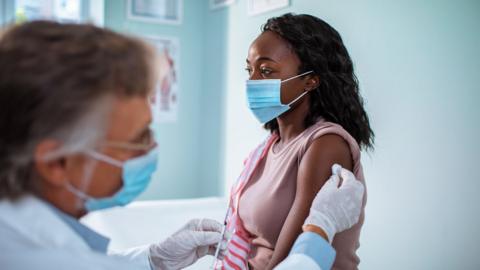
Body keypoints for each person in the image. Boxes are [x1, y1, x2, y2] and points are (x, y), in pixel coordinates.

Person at [0, 21, 365, 270]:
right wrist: (319, 230)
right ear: (55, 163)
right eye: (137, 138)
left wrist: (155, 259)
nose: (151, 149)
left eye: (266, 70)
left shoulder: (324, 142)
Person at [220, 13, 374, 270]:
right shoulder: (269, 147)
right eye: (250, 70)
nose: (252, 81)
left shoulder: (325, 144)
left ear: (311, 80)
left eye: (266, 71)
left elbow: (289, 260)